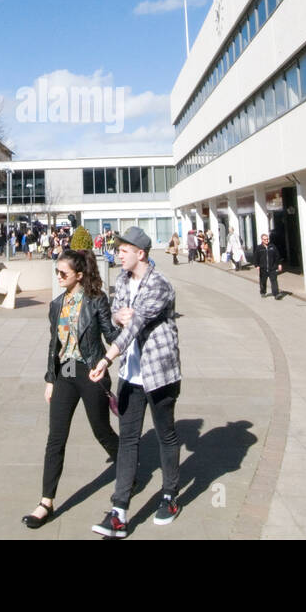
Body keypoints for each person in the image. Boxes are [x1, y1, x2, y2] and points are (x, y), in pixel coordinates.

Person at [88, 227, 182, 538]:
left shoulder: (159, 285)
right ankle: (119, 512)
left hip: (159, 374)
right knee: (128, 440)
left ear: (140, 253)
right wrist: (117, 317)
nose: (118, 254)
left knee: (166, 435)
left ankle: (169, 496)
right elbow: (117, 314)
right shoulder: (122, 280)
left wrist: (105, 359)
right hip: (131, 374)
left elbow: (135, 325)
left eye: (123, 250)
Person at [22, 250, 120, 529]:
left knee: (101, 431)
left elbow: (110, 336)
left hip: (90, 372)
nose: (58, 277)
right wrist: (50, 379)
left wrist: (127, 325)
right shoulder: (56, 305)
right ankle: (45, 503)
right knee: (56, 438)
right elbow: (54, 345)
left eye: (63, 273)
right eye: (56, 273)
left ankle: (125, 467)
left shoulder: (96, 301)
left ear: (79, 275)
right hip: (64, 374)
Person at [254, 233, 283, 299]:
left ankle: (276, 294)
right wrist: (257, 265)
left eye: (267, 239)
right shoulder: (259, 248)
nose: (267, 240)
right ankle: (263, 292)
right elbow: (256, 257)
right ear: (262, 240)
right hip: (263, 268)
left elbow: (277, 256)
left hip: (272, 267)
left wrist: (279, 264)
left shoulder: (272, 247)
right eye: (265, 239)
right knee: (263, 281)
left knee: (274, 281)